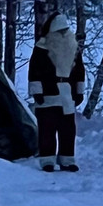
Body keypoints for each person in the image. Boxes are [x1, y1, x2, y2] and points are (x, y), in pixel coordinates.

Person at [28, 13, 85, 172]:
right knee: (47, 130)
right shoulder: (41, 48)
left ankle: (67, 160)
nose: (63, 35)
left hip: (67, 95)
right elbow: (34, 71)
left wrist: (79, 91)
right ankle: (47, 160)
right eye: (60, 31)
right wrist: (37, 91)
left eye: (65, 31)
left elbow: (79, 71)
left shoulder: (73, 48)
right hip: (48, 94)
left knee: (67, 130)